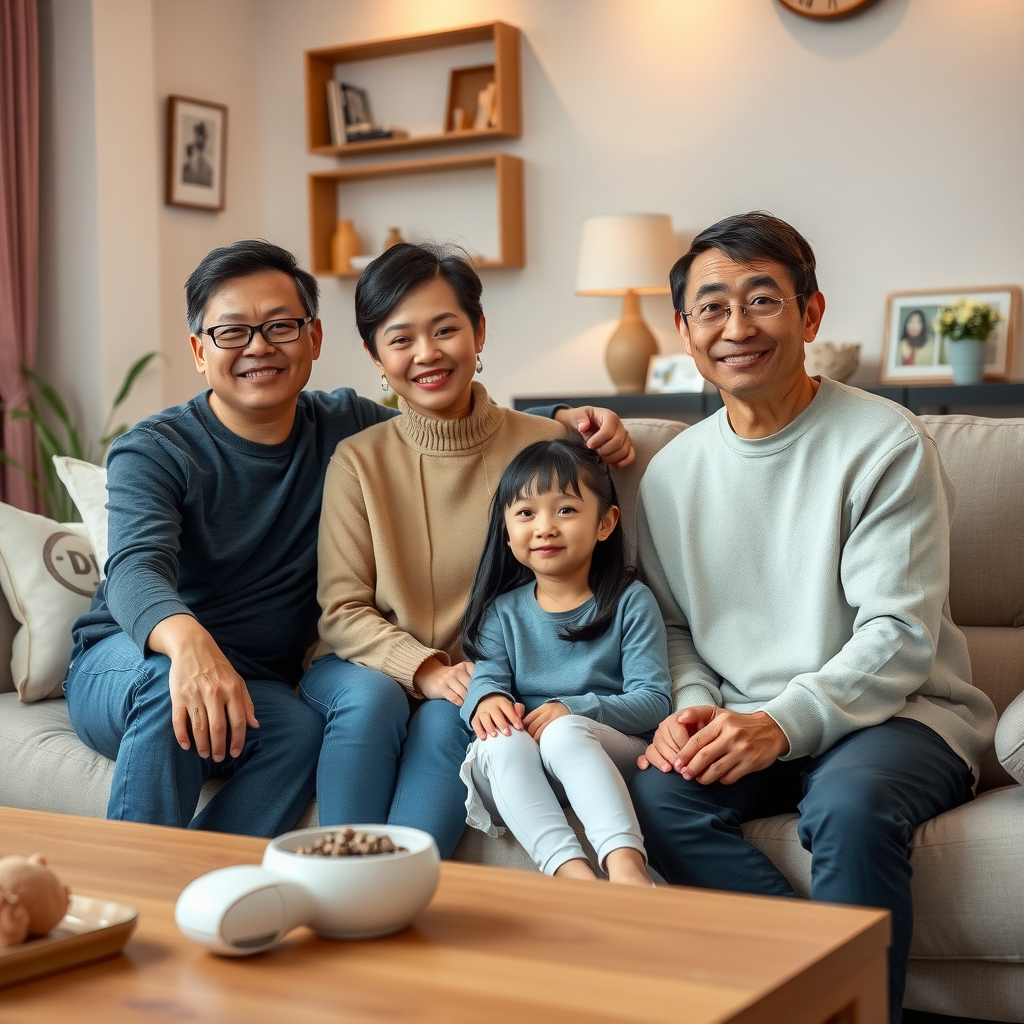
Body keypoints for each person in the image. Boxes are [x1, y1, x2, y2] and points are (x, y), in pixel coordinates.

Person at [63, 239, 626, 839]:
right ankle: (127, 888)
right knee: (166, 682)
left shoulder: (345, 426)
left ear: (315, 339)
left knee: (301, 733)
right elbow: (133, 571)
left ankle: (224, 878)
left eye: (280, 325)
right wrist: (190, 647)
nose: (259, 346)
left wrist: (563, 420)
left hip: (259, 685)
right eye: (232, 333)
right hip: (130, 662)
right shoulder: (156, 449)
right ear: (200, 352)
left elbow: (443, 428)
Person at [627, 212, 997, 1023]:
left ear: (811, 313)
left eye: (761, 300)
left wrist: (779, 723)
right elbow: (677, 628)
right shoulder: (672, 474)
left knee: (850, 805)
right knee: (657, 798)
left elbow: (897, 638)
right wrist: (694, 710)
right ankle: (817, 988)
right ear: (685, 331)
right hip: (745, 713)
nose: (737, 328)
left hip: (901, 715)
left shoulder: (883, 442)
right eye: (712, 308)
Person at [307, 243, 636, 859]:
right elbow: (340, 610)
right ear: (375, 356)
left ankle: (389, 886)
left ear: (478, 332)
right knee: (379, 700)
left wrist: (470, 684)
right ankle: (333, 873)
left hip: (476, 684)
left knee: (447, 719)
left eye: (445, 329)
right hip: (368, 665)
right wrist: (425, 668)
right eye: (400, 338)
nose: (426, 354)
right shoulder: (359, 460)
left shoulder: (545, 443)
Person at [458, 437, 671, 885]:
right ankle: (574, 878)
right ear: (506, 529)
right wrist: (485, 698)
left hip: (603, 751)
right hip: (520, 771)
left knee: (563, 731)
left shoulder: (631, 602)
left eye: (566, 510)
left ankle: (628, 871)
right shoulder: (502, 612)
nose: (545, 527)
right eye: (526, 513)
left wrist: (572, 709)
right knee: (498, 738)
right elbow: (487, 676)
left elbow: (653, 701)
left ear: (606, 523)